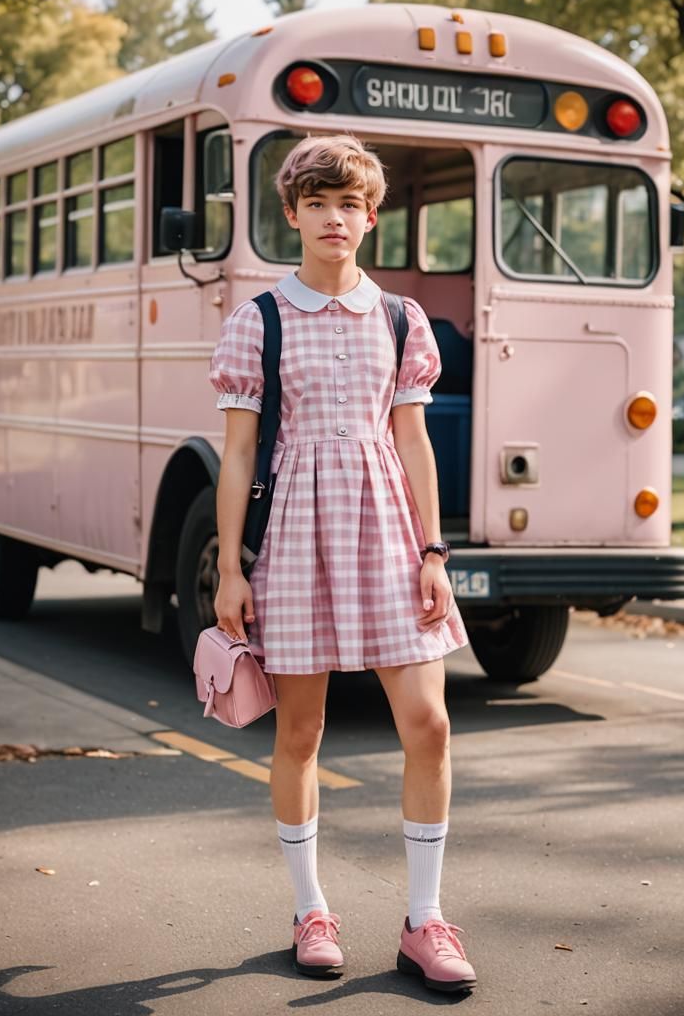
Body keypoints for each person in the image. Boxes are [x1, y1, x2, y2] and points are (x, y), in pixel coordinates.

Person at [208, 134, 475, 994]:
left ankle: (425, 919)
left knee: (428, 724)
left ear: (370, 215)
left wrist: (435, 551)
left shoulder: (401, 319)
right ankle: (310, 908)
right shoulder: (261, 320)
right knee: (302, 731)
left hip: (391, 533)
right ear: (291, 214)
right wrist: (229, 572)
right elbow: (240, 455)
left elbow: (414, 443)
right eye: (316, 203)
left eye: (349, 203)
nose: (334, 217)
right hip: (292, 536)